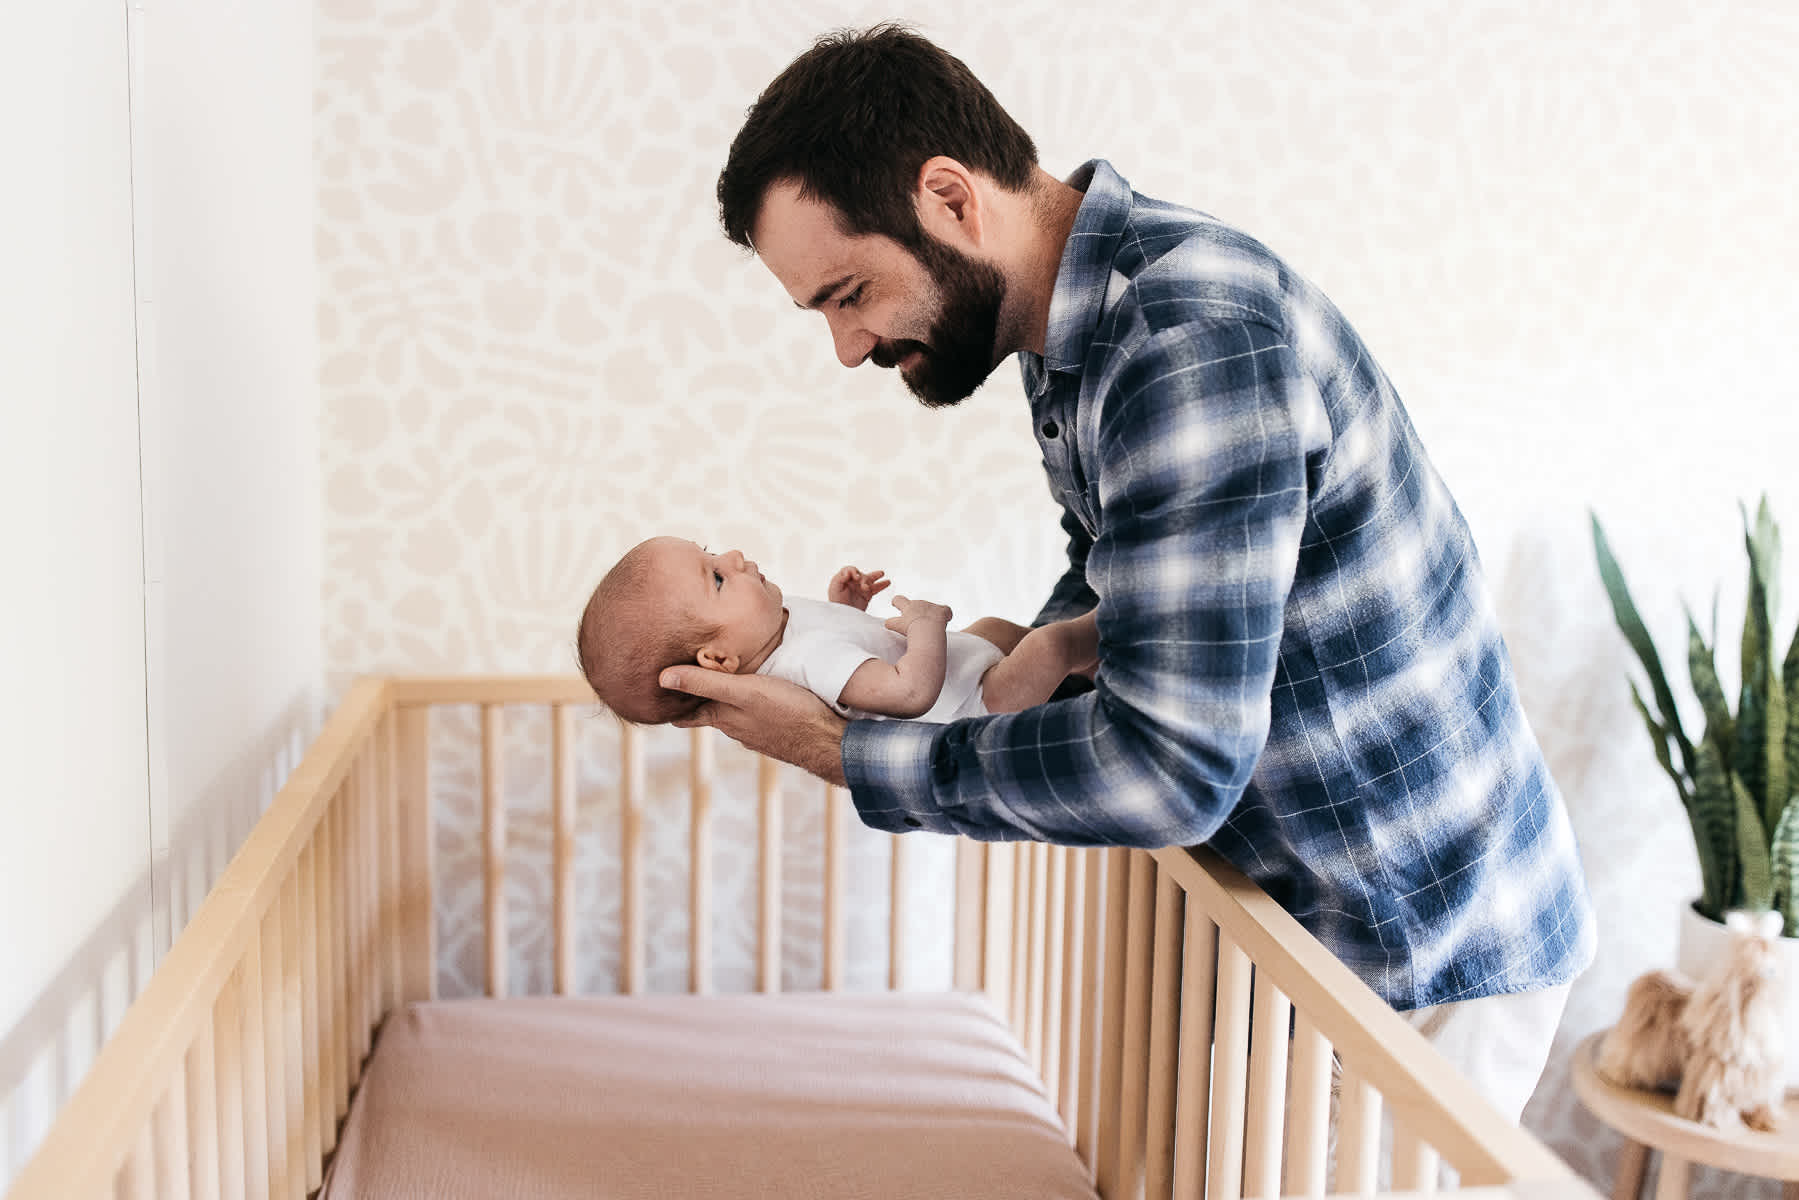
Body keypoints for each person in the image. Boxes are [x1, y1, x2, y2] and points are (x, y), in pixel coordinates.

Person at [663, 23, 1595, 1123]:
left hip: (1412, 935)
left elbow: (1173, 765)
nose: (847, 347)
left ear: (950, 198)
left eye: (849, 293)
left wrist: (842, 750)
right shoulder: (1079, 331)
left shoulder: (1183, 336)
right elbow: (1119, 564)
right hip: (1315, 915)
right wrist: (1038, 644)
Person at [577, 535, 1098, 726]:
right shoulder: (803, 663)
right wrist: (927, 627)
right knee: (1051, 644)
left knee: (992, 629)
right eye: (715, 576)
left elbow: (847, 655)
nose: (732, 556)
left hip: (973, 673)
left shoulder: (780, 633)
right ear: (716, 661)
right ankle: (1125, 630)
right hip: (979, 707)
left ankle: (1097, 669)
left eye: (711, 548)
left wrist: (846, 609)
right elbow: (909, 692)